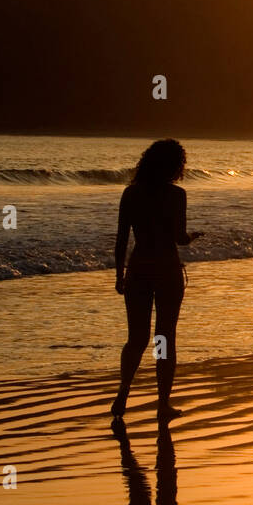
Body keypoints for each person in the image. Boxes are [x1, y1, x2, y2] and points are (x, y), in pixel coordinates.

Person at [112, 139, 202, 423]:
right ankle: (163, 404)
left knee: (136, 338)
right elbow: (178, 238)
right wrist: (193, 238)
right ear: (175, 166)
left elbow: (122, 238)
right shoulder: (176, 195)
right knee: (164, 337)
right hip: (167, 269)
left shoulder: (131, 193)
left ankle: (124, 392)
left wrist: (119, 274)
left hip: (138, 268)